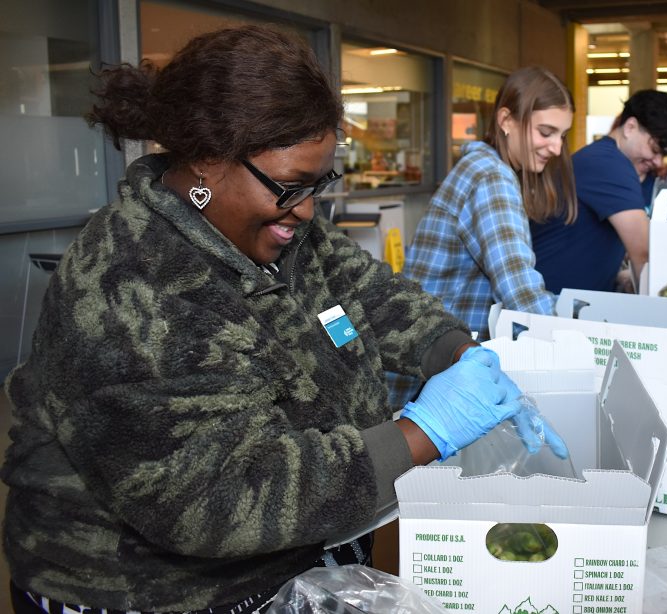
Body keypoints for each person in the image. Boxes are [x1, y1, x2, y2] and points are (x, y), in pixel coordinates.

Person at [2, 26, 563, 613]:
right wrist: (425, 432)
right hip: (156, 592)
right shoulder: (133, 284)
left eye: (319, 182)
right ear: (204, 161)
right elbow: (218, 497)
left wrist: (455, 351)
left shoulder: (271, 231)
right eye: (291, 187)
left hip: (299, 552)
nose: (307, 209)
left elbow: (369, 292)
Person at [388, 66, 576, 407]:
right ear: (506, 120)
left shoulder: (484, 168)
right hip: (427, 376)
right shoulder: (492, 177)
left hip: (427, 363)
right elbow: (520, 289)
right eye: (547, 132)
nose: (556, 147)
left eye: (562, 135)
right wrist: (578, 350)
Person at [531, 89, 667, 294]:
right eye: (655, 150)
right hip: (547, 307)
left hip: (564, 304)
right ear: (630, 127)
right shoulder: (607, 163)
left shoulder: (605, 159)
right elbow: (644, 252)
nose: (658, 161)